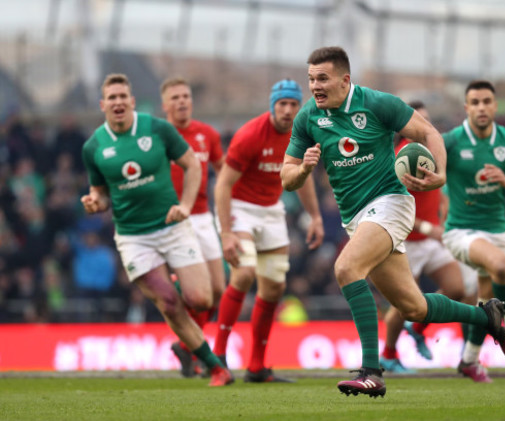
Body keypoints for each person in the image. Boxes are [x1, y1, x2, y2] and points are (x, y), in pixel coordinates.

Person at [281, 47, 505, 399]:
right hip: (356, 217)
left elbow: (430, 134)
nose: (315, 86)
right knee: (413, 307)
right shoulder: (308, 118)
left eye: (323, 79)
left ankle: (371, 371)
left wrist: (438, 174)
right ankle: (487, 317)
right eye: (311, 79)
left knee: (346, 268)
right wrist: (302, 170)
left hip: (391, 203)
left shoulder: (377, 104)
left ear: (345, 80)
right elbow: (287, 178)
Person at [81, 73, 232, 387]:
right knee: (169, 304)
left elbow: (192, 164)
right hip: (134, 237)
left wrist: (187, 205)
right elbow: (101, 193)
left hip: (172, 226)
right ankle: (216, 368)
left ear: (133, 102)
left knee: (202, 299)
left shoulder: (157, 129)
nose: (118, 102)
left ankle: (175, 286)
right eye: (112, 97)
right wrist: (96, 201)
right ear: (103, 105)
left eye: (124, 96)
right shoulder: (94, 146)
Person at [213, 79, 324, 383]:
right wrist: (226, 232)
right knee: (244, 273)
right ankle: (218, 358)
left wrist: (315, 216)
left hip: (272, 210)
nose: (288, 110)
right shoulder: (250, 135)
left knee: (274, 287)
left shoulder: (300, 135)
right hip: (239, 207)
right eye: (282, 104)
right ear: (272, 105)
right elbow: (222, 184)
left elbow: (302, 176)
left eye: (293, 104)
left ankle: (256, 367)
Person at [441, 80, 505, 384]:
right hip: (460, 231)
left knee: (485, 304)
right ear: (466, 107)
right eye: (475, 102)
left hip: (497, 231)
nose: (481, 107)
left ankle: (469, 361)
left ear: (495, 106)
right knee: (499, 265)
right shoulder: (452, 141)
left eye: (487, 101)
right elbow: (429, 167)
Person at [379, 101, 466, 374]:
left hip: (431, 240)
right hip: (405, 241)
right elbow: (390, 207)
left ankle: (416, 329)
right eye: (419, 119)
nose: (425, 125)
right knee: (404, 305)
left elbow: (441, 191)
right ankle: (389, 355)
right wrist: (431, 229)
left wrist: (445, 214)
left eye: (428, 120)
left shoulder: (433, 150)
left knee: (456, 289)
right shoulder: (399, 157)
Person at [160, 76, 227, 378]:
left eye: (185, 96)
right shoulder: (157, 137)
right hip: (170, 221)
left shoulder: (207, 134)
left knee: (216, 291)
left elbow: (223, 173)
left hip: (202, 217)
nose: (182, 101)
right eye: (175, 98)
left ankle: (187, 348)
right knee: (194, 292)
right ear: (165, 105)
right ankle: (196, 351)